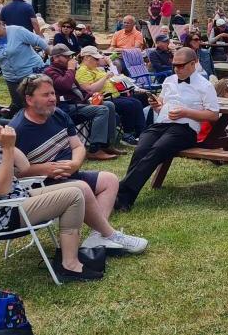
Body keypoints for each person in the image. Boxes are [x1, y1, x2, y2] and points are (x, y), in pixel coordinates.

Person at [0, 98, 101, 281]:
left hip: (17, 199)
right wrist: (8, 149)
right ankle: (70, 264)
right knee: (73, 195)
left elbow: (24, 166)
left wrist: (2, 143)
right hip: (2, 215)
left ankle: (85, 246)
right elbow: (1, 189)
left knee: (79, 186)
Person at [9, 75, 147, 252]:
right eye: (45, 95)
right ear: (29, 99)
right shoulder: (18, 129)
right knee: (82, 186)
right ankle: (109, 234)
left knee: (110, 180)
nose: (52, 98)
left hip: (70, 174)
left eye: (53, 93)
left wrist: (75, 163)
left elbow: (78, 146)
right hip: (44, 185)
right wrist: (45, 169)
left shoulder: (58, 114)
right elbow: (12, 174)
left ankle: (97, 237)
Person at [115, 48, 219, 211]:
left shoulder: (205, 86)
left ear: (193, 64)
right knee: (141, 148)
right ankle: (124, 198)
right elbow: (161, 105)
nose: (176, 69)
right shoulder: (169, 80)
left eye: (180, 65)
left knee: (157, 150)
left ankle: (121, 194)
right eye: (174, 65)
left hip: (185, 129)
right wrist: (156, 106)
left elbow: (213, 115)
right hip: (162, 123)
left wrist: (186, 112)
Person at [44, 44, 125, 152]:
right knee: (102, 110)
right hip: (65, 107)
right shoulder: (50, 72)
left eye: (70, 56)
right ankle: (95, 149)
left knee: (109, 104)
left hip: (79, 103)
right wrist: (71, 69)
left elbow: (79, 89)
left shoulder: (66, 70)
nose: (70, 59)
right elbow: (65, 85)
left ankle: (108, 144)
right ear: (56, 58)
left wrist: (90, 97)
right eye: (67, 57)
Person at [0, 14, 47, 114]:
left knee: (34, 102)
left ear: (0, 24)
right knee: (18, 105)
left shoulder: (17, 31)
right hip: (11, 78)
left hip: (31, 73)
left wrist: (54, 55)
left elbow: (39, 41)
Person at [75, 46, 146, 140]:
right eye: (96, 59)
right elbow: (90, 90)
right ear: (87, 57)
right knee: (130, 105)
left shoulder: (95, 69)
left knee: (138, 100)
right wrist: (105, 77)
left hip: (114, 95)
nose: (97, 61)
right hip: (101, 99)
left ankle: (141, 132)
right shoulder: (83, 71)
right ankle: (128, 134)